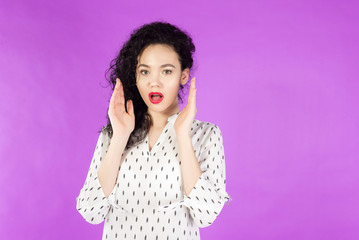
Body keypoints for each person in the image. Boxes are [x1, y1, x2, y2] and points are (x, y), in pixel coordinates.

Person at [76, 21, 232, 240]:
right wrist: (120, 136)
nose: (154, 82)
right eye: (145, 72)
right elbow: (91, 212)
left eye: (166, 71)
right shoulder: (113, 134)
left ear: (183, 76)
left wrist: (183, 136)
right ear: (136, 77)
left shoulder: (206, 135)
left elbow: (206, 215)